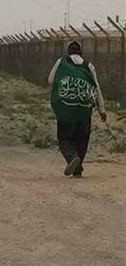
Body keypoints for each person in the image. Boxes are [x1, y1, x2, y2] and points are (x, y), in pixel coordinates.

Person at [48, 40, 106, 177]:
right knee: (81, 140)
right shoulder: (89, 66)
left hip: (66, 109)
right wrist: (102, 110)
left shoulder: (61, 62)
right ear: (81, 52)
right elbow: (96, 88)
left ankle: (72, 158)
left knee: (64, 139)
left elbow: (50, 80)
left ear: (68, 51)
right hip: (84, 111)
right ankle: (77, 170)